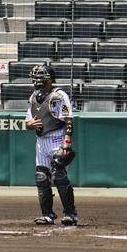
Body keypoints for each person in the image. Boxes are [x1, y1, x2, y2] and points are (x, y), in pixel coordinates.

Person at [24, 65, 78, 226]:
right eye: (35, 77)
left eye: (40, 77)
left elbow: (68, 120)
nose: (36, 80)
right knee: (41, 178)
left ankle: (71, 214)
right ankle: (47, 215)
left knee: (59, 177)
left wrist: (67, 142)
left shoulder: (59, 96)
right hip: (41, 141)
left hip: (56, 138)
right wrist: (29, 125)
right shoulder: (33, 97)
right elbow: (28, 121)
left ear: (49, 79)